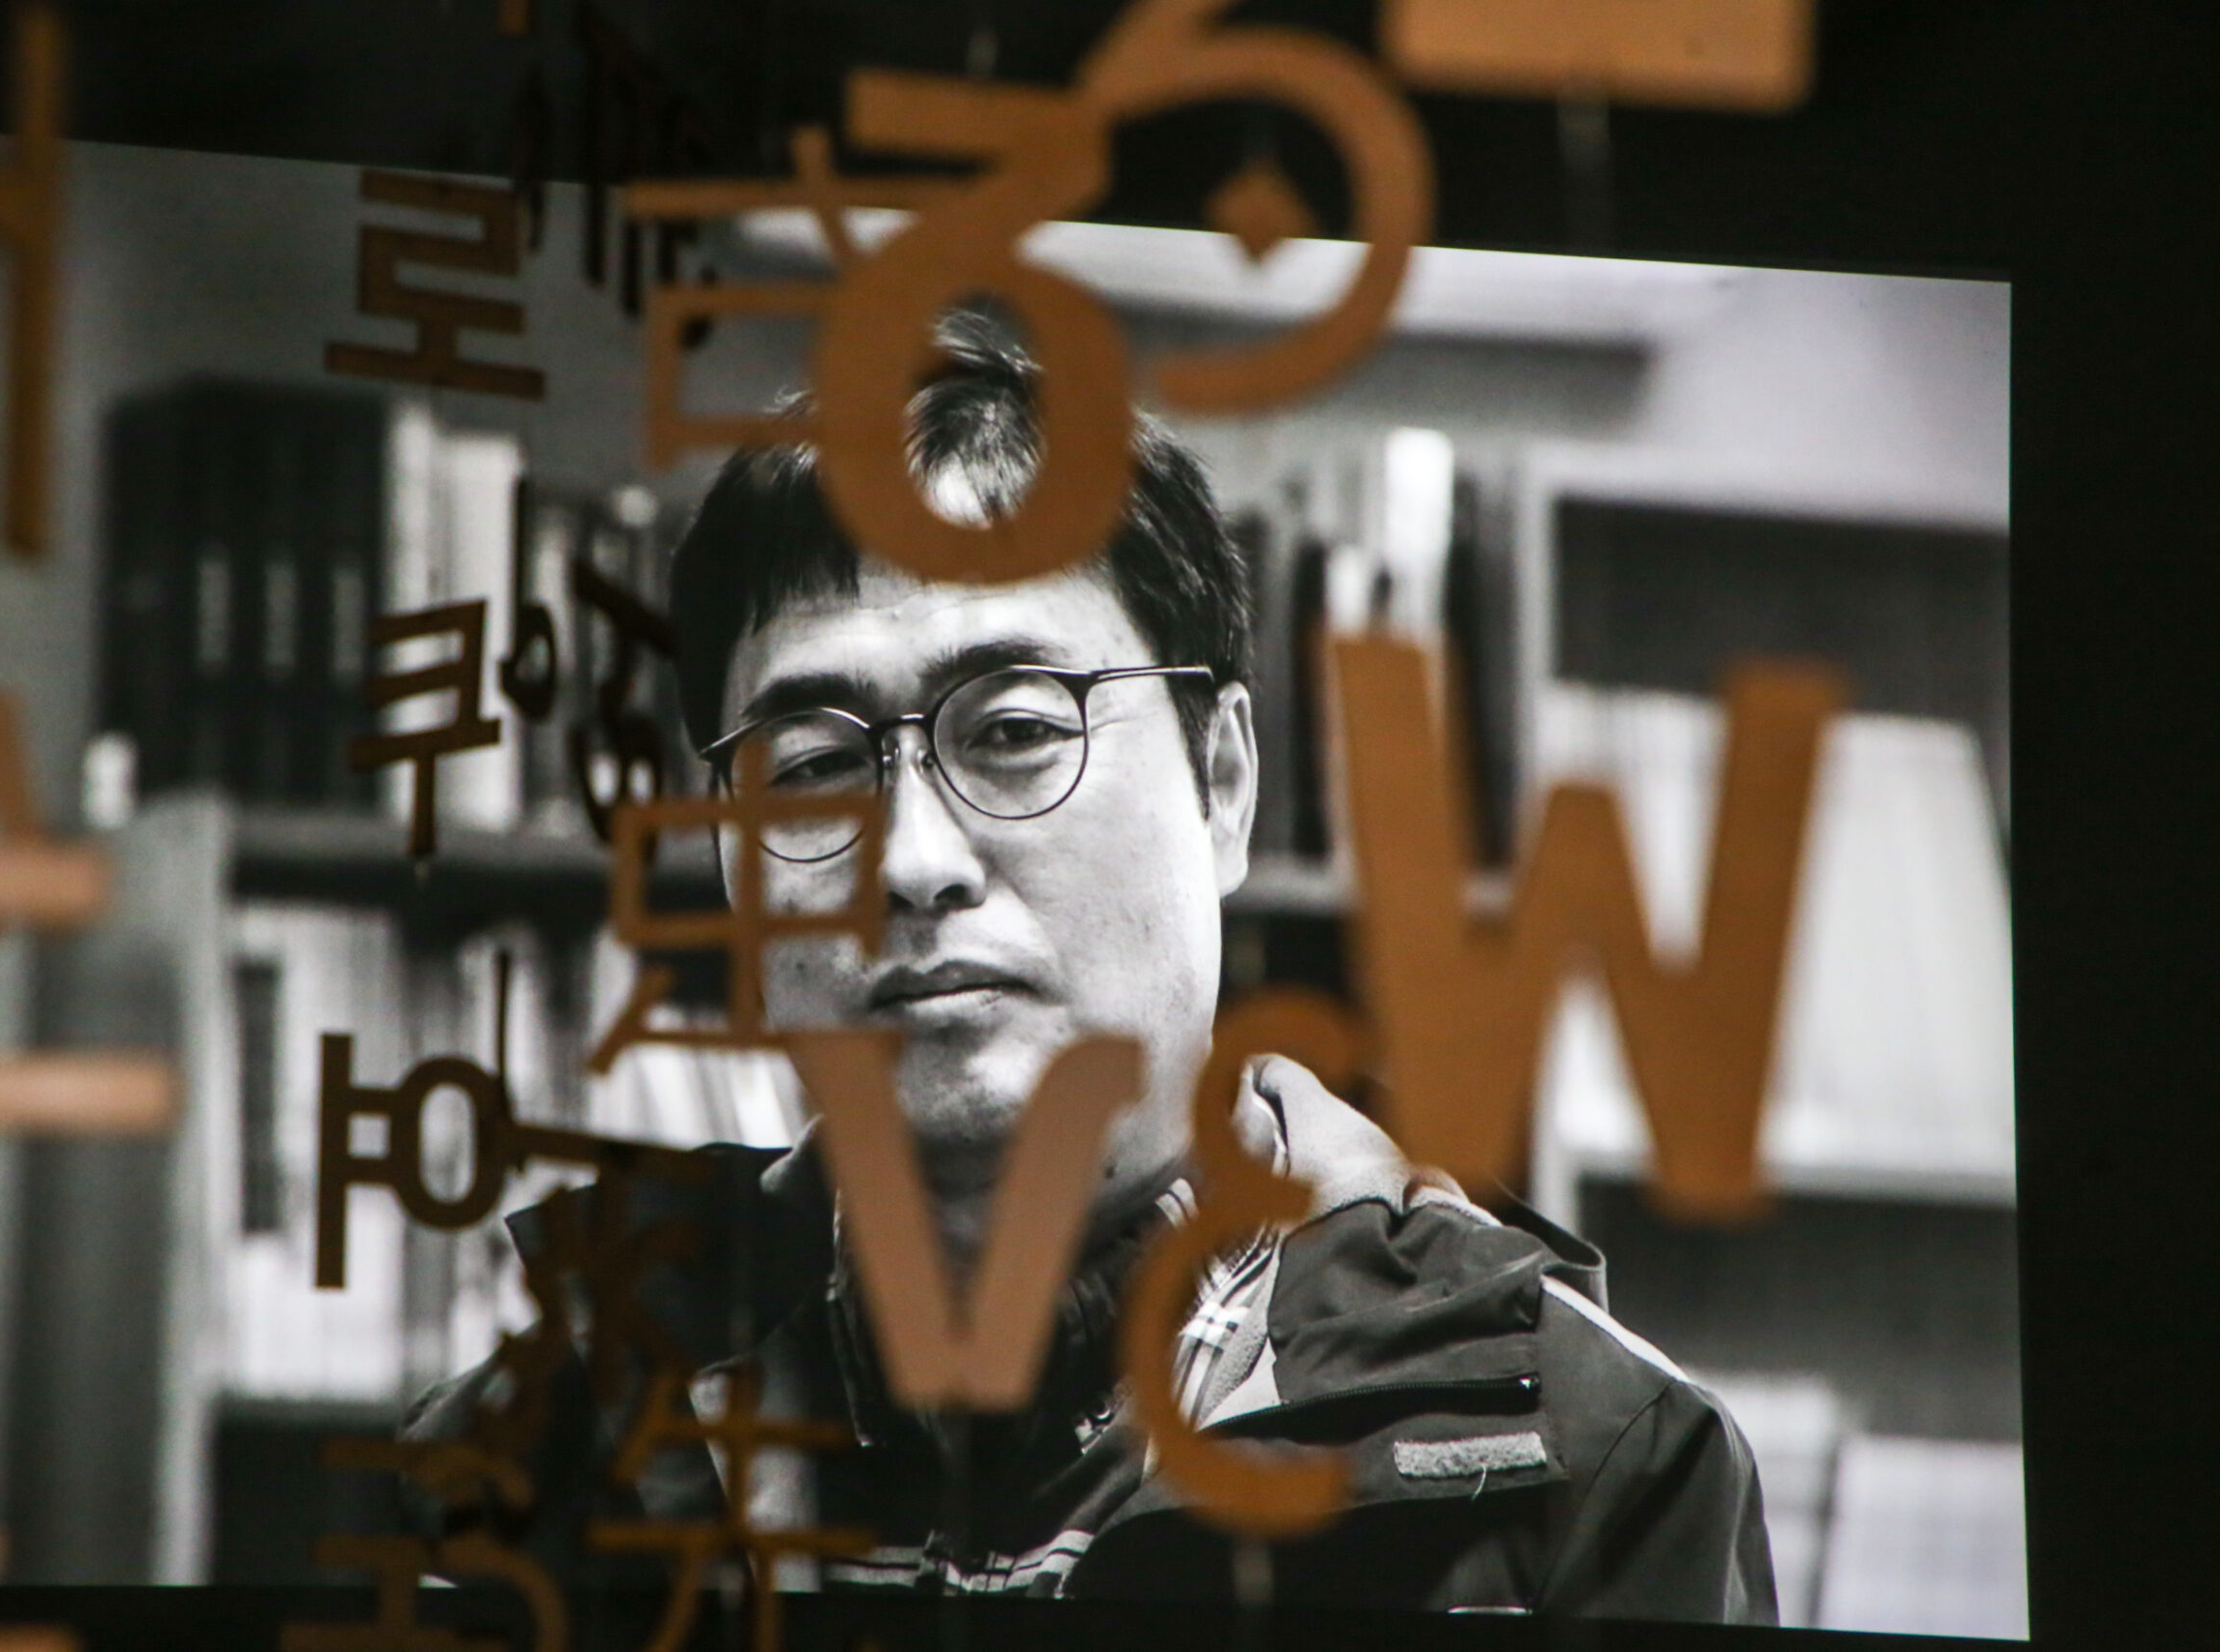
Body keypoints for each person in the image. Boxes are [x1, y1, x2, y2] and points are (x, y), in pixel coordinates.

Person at [409, 316, 1777, 1622]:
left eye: (1014, 730)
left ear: (1221, 781)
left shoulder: (1588, 1461)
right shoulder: (534, 1463)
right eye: (815, 765)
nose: (914, 860)